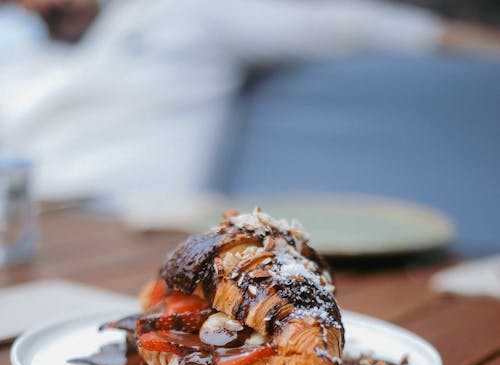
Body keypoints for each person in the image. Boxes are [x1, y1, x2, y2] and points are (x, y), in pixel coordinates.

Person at [1, 0, 499, 219]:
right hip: (26, 230)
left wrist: (480, 43)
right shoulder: (12, 38)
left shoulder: (181, 13)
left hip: (134, 226)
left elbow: (351, 25)